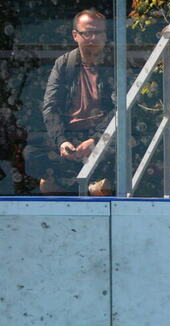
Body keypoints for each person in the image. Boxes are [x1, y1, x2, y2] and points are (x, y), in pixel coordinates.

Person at [29, 9, 115, 195]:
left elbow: (121, 110)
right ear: (75, 35)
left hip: (102, 136)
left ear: (105, 35)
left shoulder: (114, 64)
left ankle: (64, 184)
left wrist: (96, 140)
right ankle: (88, 188)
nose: (93, 38)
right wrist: (62, 141)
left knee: (125, 151)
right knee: (31, 153)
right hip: (70, 136)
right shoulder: (64, 63)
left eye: (98, 33)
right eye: (87, 33)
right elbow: (50, 107)